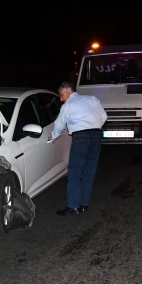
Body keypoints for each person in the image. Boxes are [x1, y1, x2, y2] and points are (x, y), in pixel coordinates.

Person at [48, 81, 107, 216]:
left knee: (74, 172)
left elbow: (59, 124)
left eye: (62, 95)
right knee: (89, 171)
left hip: (81, 137)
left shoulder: (68, 105)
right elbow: (104, 116)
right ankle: (84, 204)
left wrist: (53, 137)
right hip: (96, 136)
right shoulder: (92, 99)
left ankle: (73, 205)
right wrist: (94, 126)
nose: (61, 99)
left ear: (69, 90)